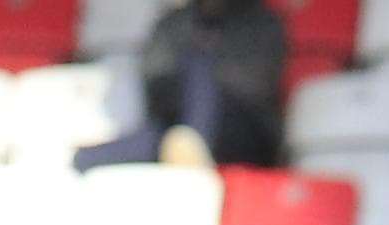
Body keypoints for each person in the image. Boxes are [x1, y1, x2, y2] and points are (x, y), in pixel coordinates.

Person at [76, 0, 286, 170]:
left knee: (199, 69)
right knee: (161, 136)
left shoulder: (263, 24)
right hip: (174, 123)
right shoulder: (174, 22)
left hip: (241, 133)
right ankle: (82, 160)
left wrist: (207, 72)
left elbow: (254, 88)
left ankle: (191, 142)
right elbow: (155, 81)